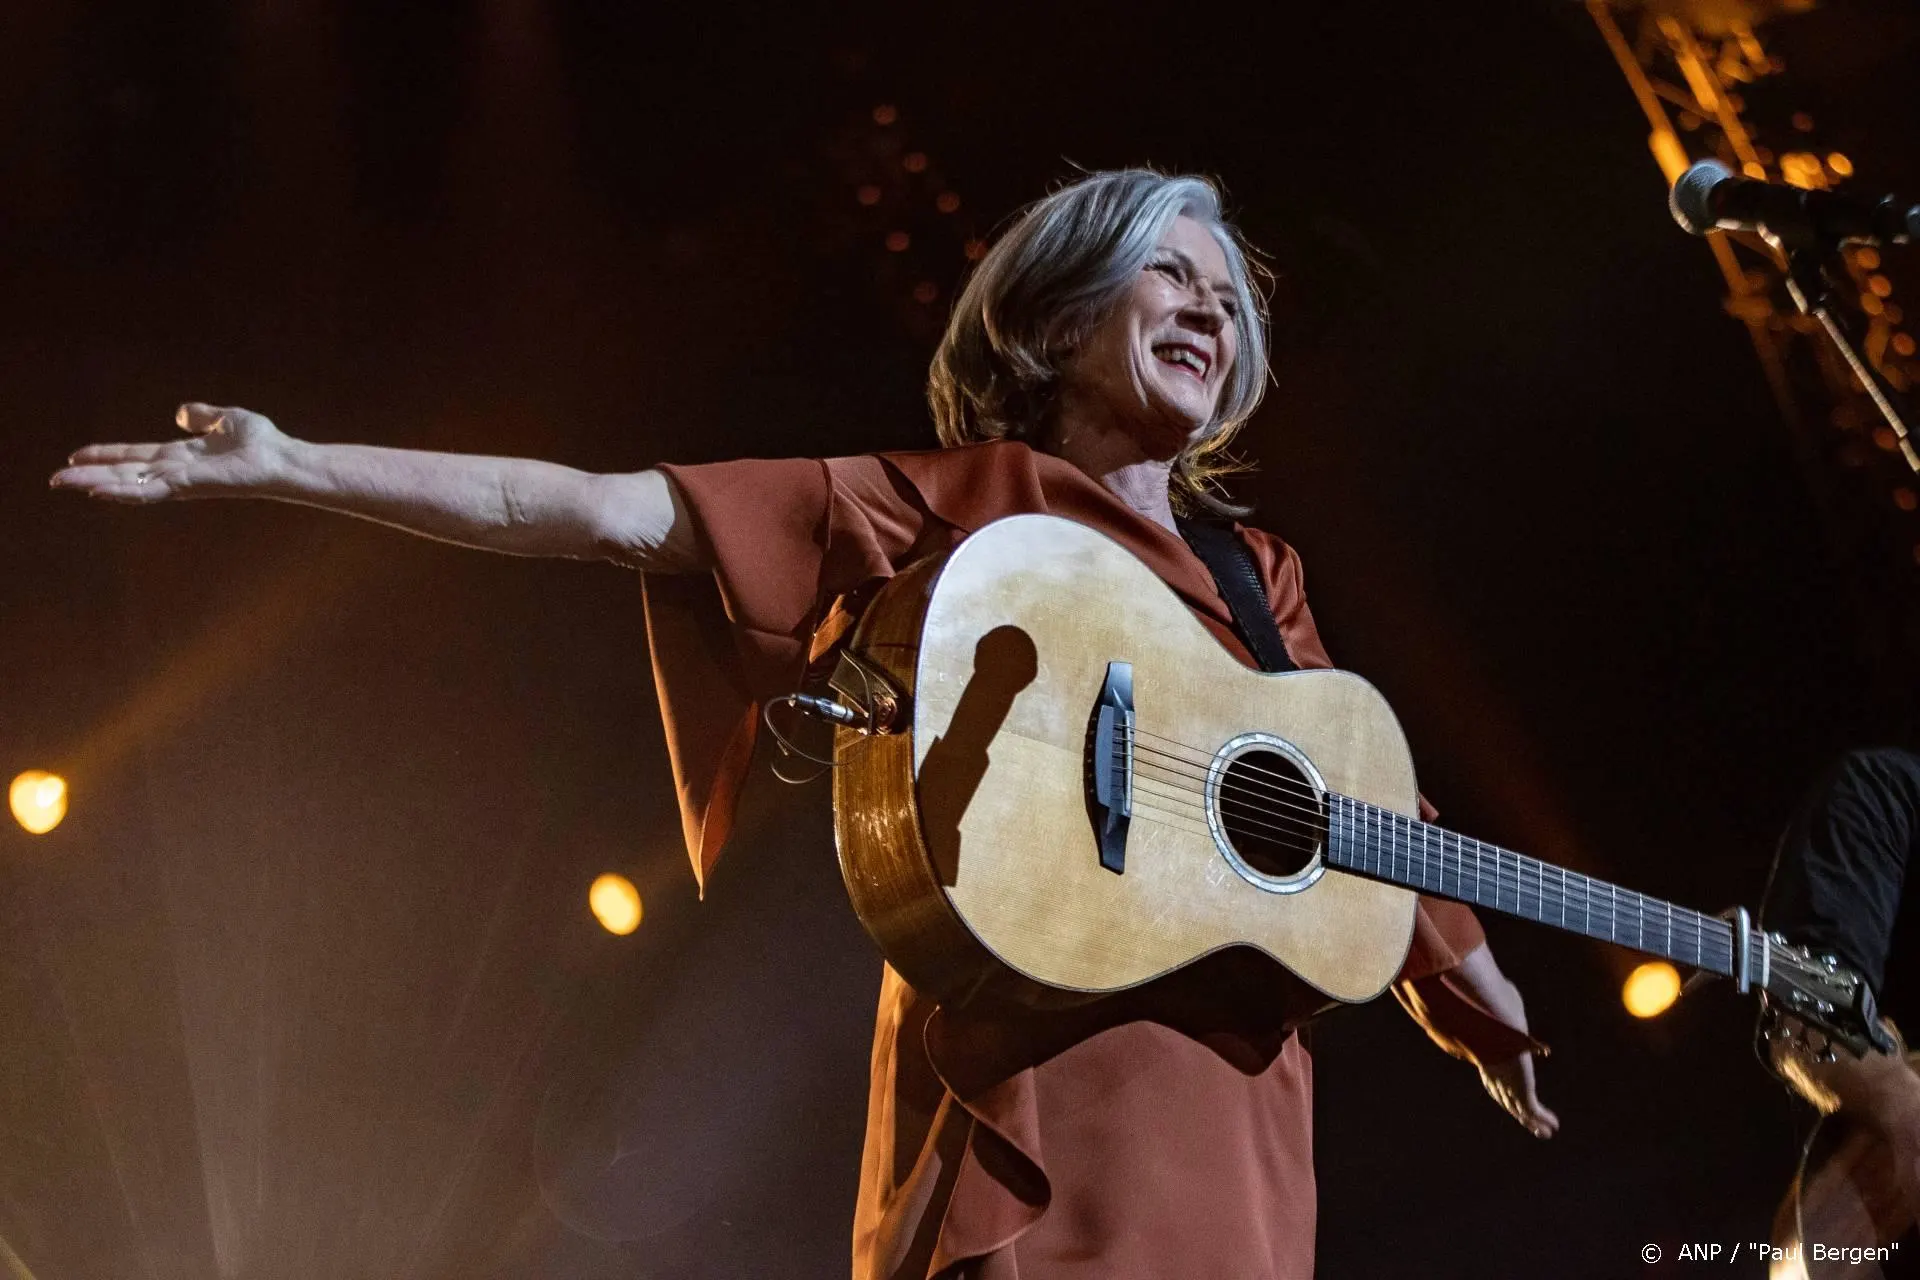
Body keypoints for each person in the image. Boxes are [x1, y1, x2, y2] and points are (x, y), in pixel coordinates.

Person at [51, 169, 1555, 1279]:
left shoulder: (1260, 573)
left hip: (1231, 1099)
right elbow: (588, 510)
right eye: (1171, 277)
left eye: (1228, 301)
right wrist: (298, 465)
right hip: (1045, 1067)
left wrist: (1487, 1010)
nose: (1209, 314)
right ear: (1059, 312)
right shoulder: (947, 502)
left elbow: (1379, 823)